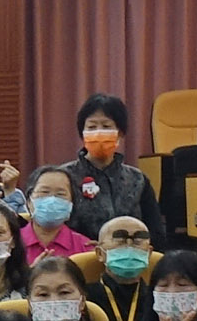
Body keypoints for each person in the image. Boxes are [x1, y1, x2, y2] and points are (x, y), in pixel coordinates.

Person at [51, 93, 159, 238]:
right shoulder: (64, 177)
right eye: (91, 127)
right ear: (82, 133)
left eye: (106, 126)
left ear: (120, 133)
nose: (98, 132)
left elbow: (155, 231)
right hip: (79, 250)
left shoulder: (137, 180)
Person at [86, 215, 158, 321]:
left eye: (137, 242)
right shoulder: (84, 297)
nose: (129, 247)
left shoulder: (157, 297)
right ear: (100, 253)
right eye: (120, 241)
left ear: (149, 253)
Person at [15, 167, 93, 266]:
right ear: (29, 201)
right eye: (44, 192)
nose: (51, 200)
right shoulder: (12, 242)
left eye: (60, 194)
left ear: (71, 204)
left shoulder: (85, 248)